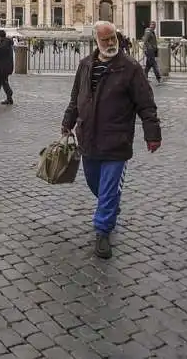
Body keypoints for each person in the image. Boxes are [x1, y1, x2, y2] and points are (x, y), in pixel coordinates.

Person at [61, 20, 161, 259]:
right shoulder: (85, 65)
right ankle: (110, 205)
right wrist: (68, 121)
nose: (110, 43)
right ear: (96, 40)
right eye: (105, 40)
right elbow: (76, 97)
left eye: (113, 39)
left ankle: (103, 230)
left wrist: (152, 133)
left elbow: (145, 103)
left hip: (117, 139)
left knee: (107, 188)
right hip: (89, 136)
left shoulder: (130, 67)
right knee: (94, 183)